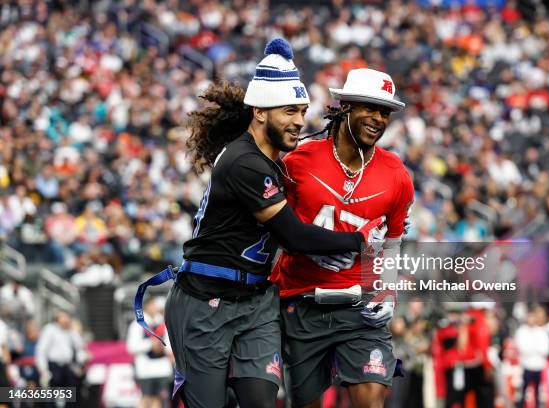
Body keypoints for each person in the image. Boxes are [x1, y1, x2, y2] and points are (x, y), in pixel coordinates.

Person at [135, 39, 386, 408]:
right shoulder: (245, 163)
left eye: (302, 110)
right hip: (206, 301)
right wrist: (357, 241)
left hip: (255, 303)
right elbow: (293, 236)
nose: (300, 121)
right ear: (260, 113)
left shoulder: (272, 163)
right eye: (289, 111)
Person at [270, 68, 414, 408]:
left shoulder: (397, 175)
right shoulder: (297, 161)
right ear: (346, 106)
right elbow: (277, 228)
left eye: (385, 112)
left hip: (360, 306)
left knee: (372, 398)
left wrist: (388, 291)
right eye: (370, 108)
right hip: (302, 300)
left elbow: (392, 242)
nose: (378, 118)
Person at [127, 297, 173, 408]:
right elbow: (131, 347)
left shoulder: (163, 323)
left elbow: (169, 343)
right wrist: (150, 344)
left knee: (160, 398)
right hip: (145, 369)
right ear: (146, 306)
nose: (155, 307)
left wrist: (164, 348)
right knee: (146, 398)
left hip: (162, 369)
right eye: (152, 304)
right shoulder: (137, 324)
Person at [35, 310, 86, 408]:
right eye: (63, 317)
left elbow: (80, 347)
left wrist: (78, 365)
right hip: (54, 367)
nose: (66, 319)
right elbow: (41, 351)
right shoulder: (50, 330)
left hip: (68, 367)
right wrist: (44, 371)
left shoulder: (70, 331)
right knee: (52, 398)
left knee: (72, 397)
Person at [515, 305, 549, 408]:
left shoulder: (541, 332)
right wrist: (534, 348)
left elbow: (545, 350)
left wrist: (532, 348)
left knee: (538, 393)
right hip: (525, 366)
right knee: (523, 392)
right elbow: (522, 349)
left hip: (539, 366)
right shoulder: (521, 331)